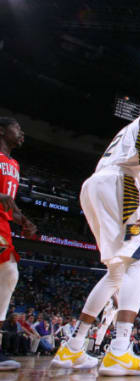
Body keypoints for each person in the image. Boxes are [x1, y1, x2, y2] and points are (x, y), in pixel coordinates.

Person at [51, 90, 140, 375]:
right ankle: (120, 350)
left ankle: (73, 346)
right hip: (122, 184)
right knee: (138, 264)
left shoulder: (129, 128)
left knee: (117, 272)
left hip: (96, 186)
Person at [0, 118, 38, 371]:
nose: (22, 133)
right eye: (18, 128)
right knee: (8, 272)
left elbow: (8, 203)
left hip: (4, 225)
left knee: (9, 274)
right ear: (2, 130)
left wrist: (24, 220)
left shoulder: (13, 164)